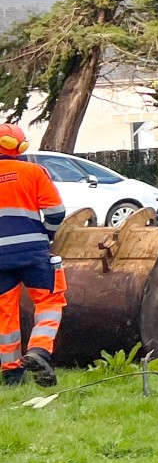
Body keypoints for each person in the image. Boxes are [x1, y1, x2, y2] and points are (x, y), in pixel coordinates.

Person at [0, 123, 65, 388]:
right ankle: (39, 350)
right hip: (32, 252)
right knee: (50, 300)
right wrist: (47, 235)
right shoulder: (34, 172)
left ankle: (12, 374)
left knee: (5, 312)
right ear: (21, 147)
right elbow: (56, 213)